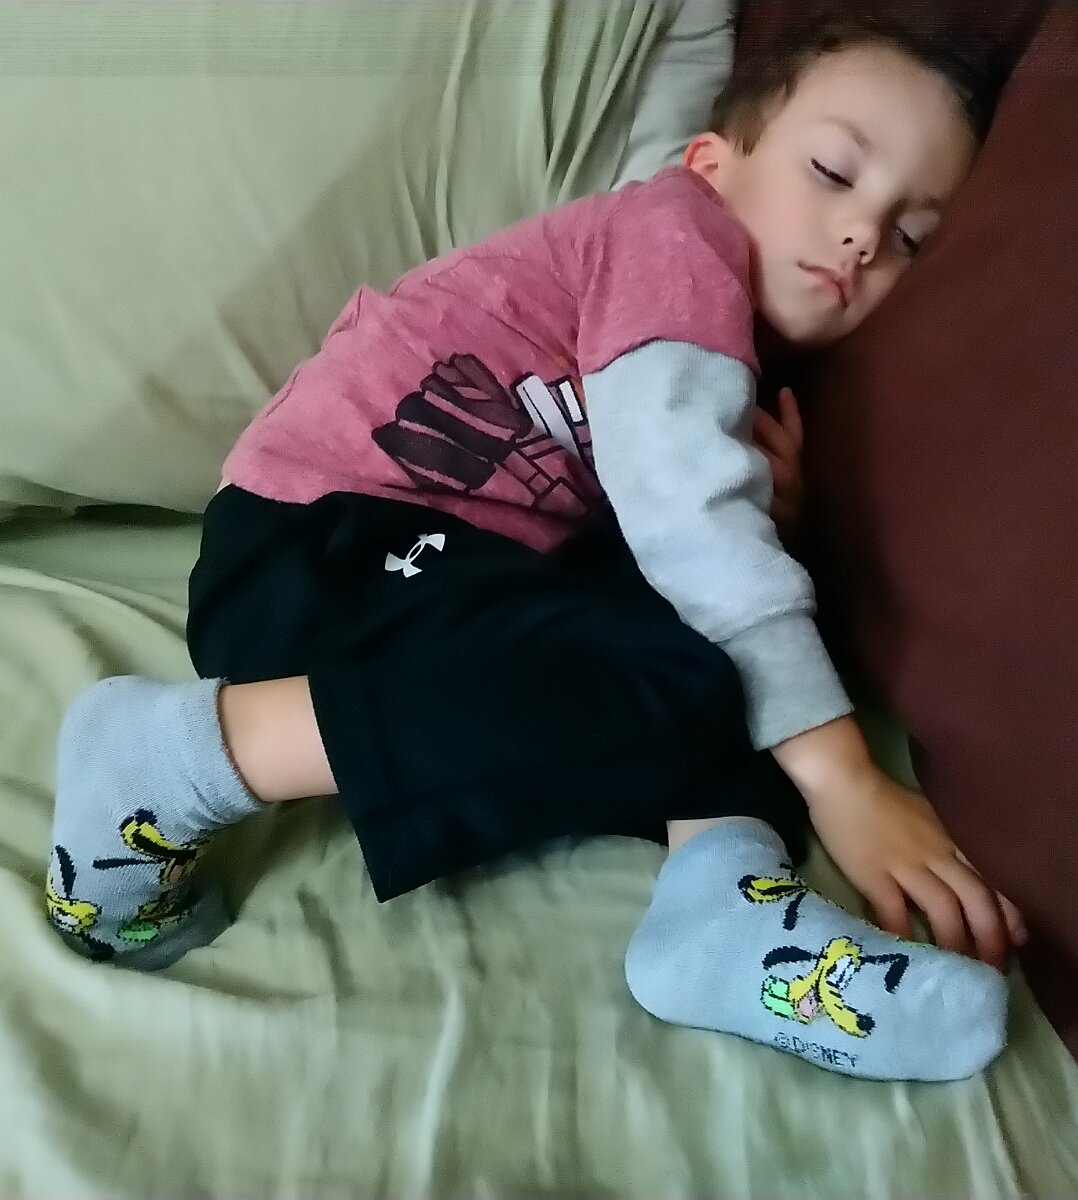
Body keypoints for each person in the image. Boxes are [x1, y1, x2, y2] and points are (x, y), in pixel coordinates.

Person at [45, 10, 1027, 1081]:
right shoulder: (674, 241)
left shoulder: (729, 350)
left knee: (707, 657)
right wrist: (838, 773)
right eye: (833, 172)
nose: (862, 236)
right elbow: (687, 518)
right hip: (325, 537)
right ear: (710, 163)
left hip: (456, 564)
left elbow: (660, 529)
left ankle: (727, 914)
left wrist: (768, 514)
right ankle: (175, 761)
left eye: (910, 238)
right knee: (701, 649)